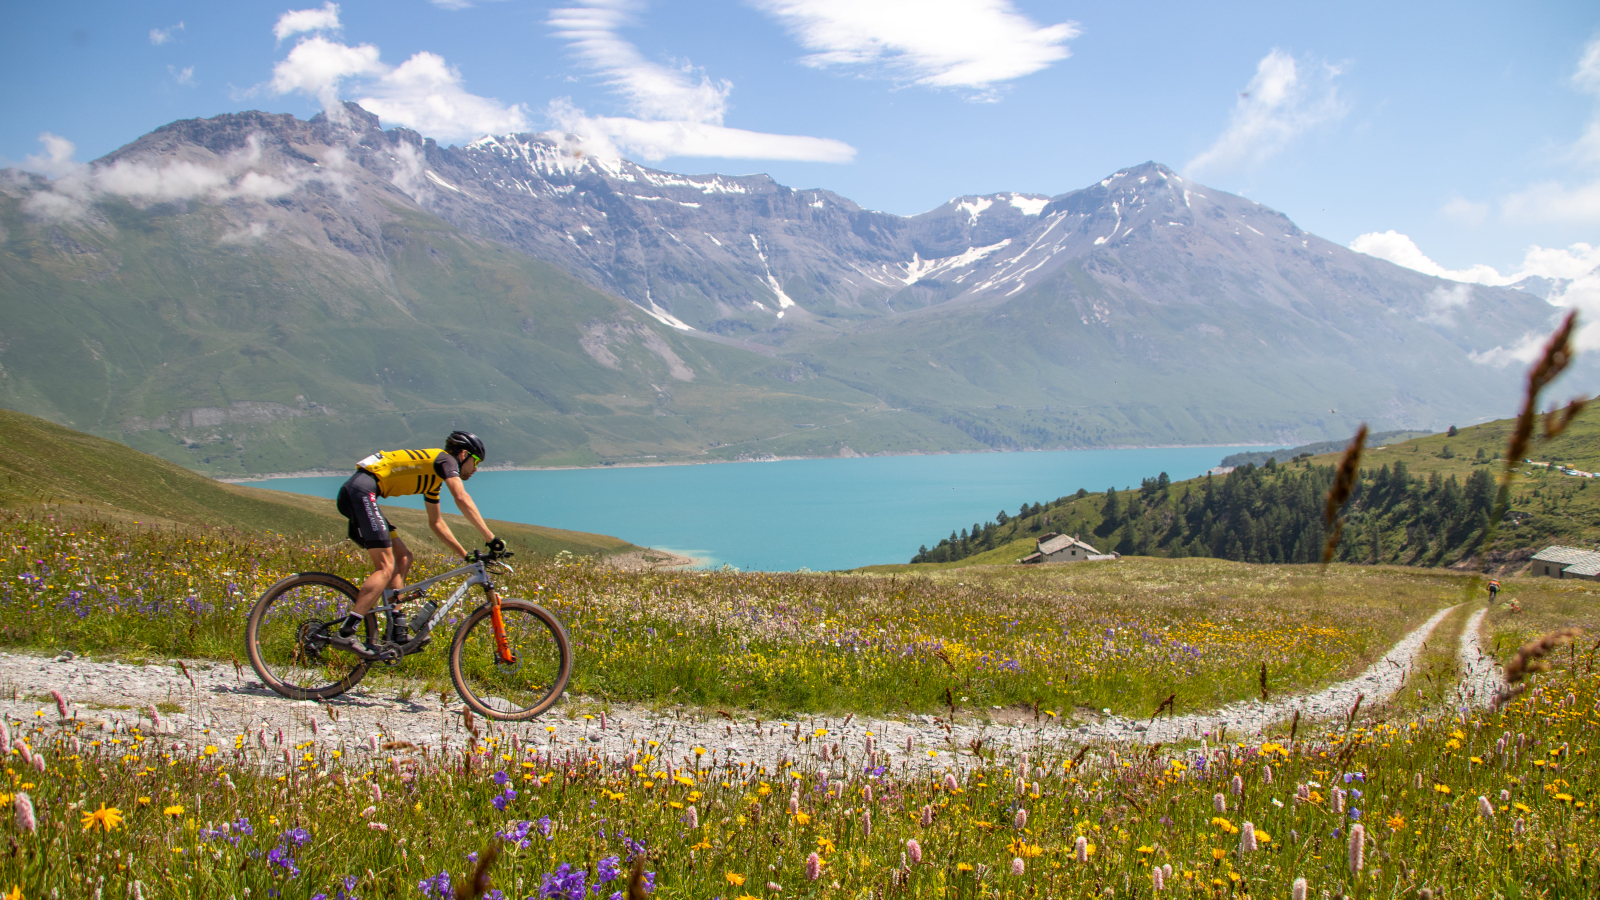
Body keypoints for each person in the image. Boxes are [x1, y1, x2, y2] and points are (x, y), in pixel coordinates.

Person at [332, 430, 503, 655]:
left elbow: (437, 523)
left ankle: (397, 630)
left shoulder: (434, 480)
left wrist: (465, 555)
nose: (476, 468)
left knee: (404, 557)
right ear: (463, 455)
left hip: (360, 493)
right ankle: (346, 633)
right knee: (385, 567)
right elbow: (461, 497)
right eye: (476, 461)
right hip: (362, 492)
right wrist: (491, 538)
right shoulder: (445, 460)